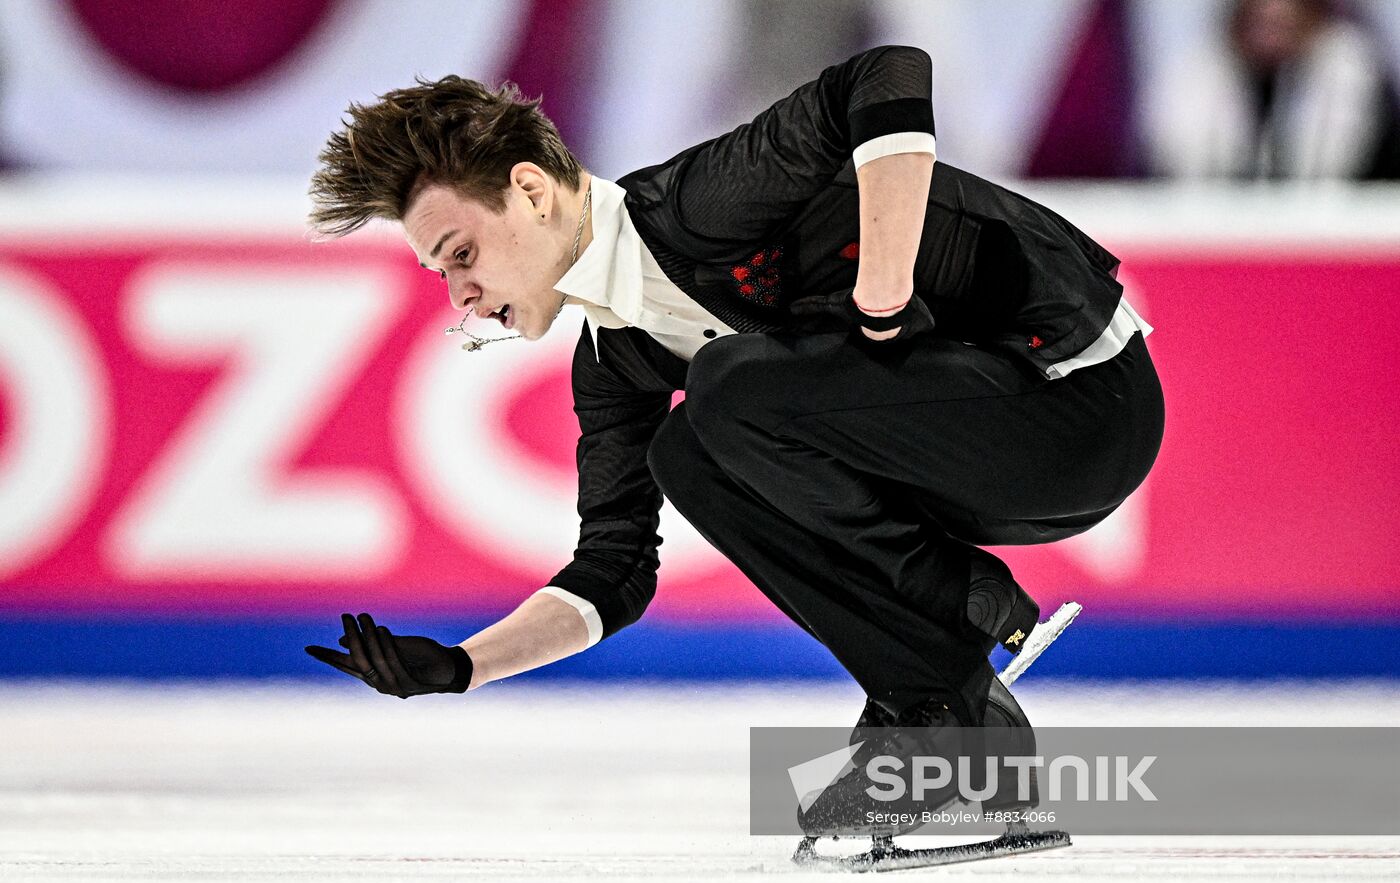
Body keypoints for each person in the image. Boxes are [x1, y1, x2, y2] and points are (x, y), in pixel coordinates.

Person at [304, 46, 1164, 829]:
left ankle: (960, 604)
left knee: (727, 391)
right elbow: (613, 572)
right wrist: (461, 666)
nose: (459, 294)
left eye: (460, 253)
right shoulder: (617, 361)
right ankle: (947, 713)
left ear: (528, 191)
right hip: (984, 458)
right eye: (440, 271)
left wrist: (884, 297)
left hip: (1078, 399)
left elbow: (889, 74)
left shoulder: (695, 204)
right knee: (685, 453)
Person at [1146, 0, 1400, 180]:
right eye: (1258, 18)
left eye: (1282, 20)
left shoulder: (1349, 68)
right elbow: (1173, 166)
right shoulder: (1202, 71)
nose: (1271, 11)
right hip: (1219, 232)